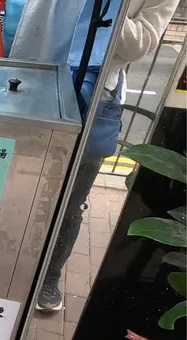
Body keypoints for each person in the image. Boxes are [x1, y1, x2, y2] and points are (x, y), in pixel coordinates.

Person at [36, 0, 180, 311]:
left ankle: (49, 276)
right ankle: (15, 262)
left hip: (96, 95)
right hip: (37, 81)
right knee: (23, 185)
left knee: (70, 201)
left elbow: (139, 44)